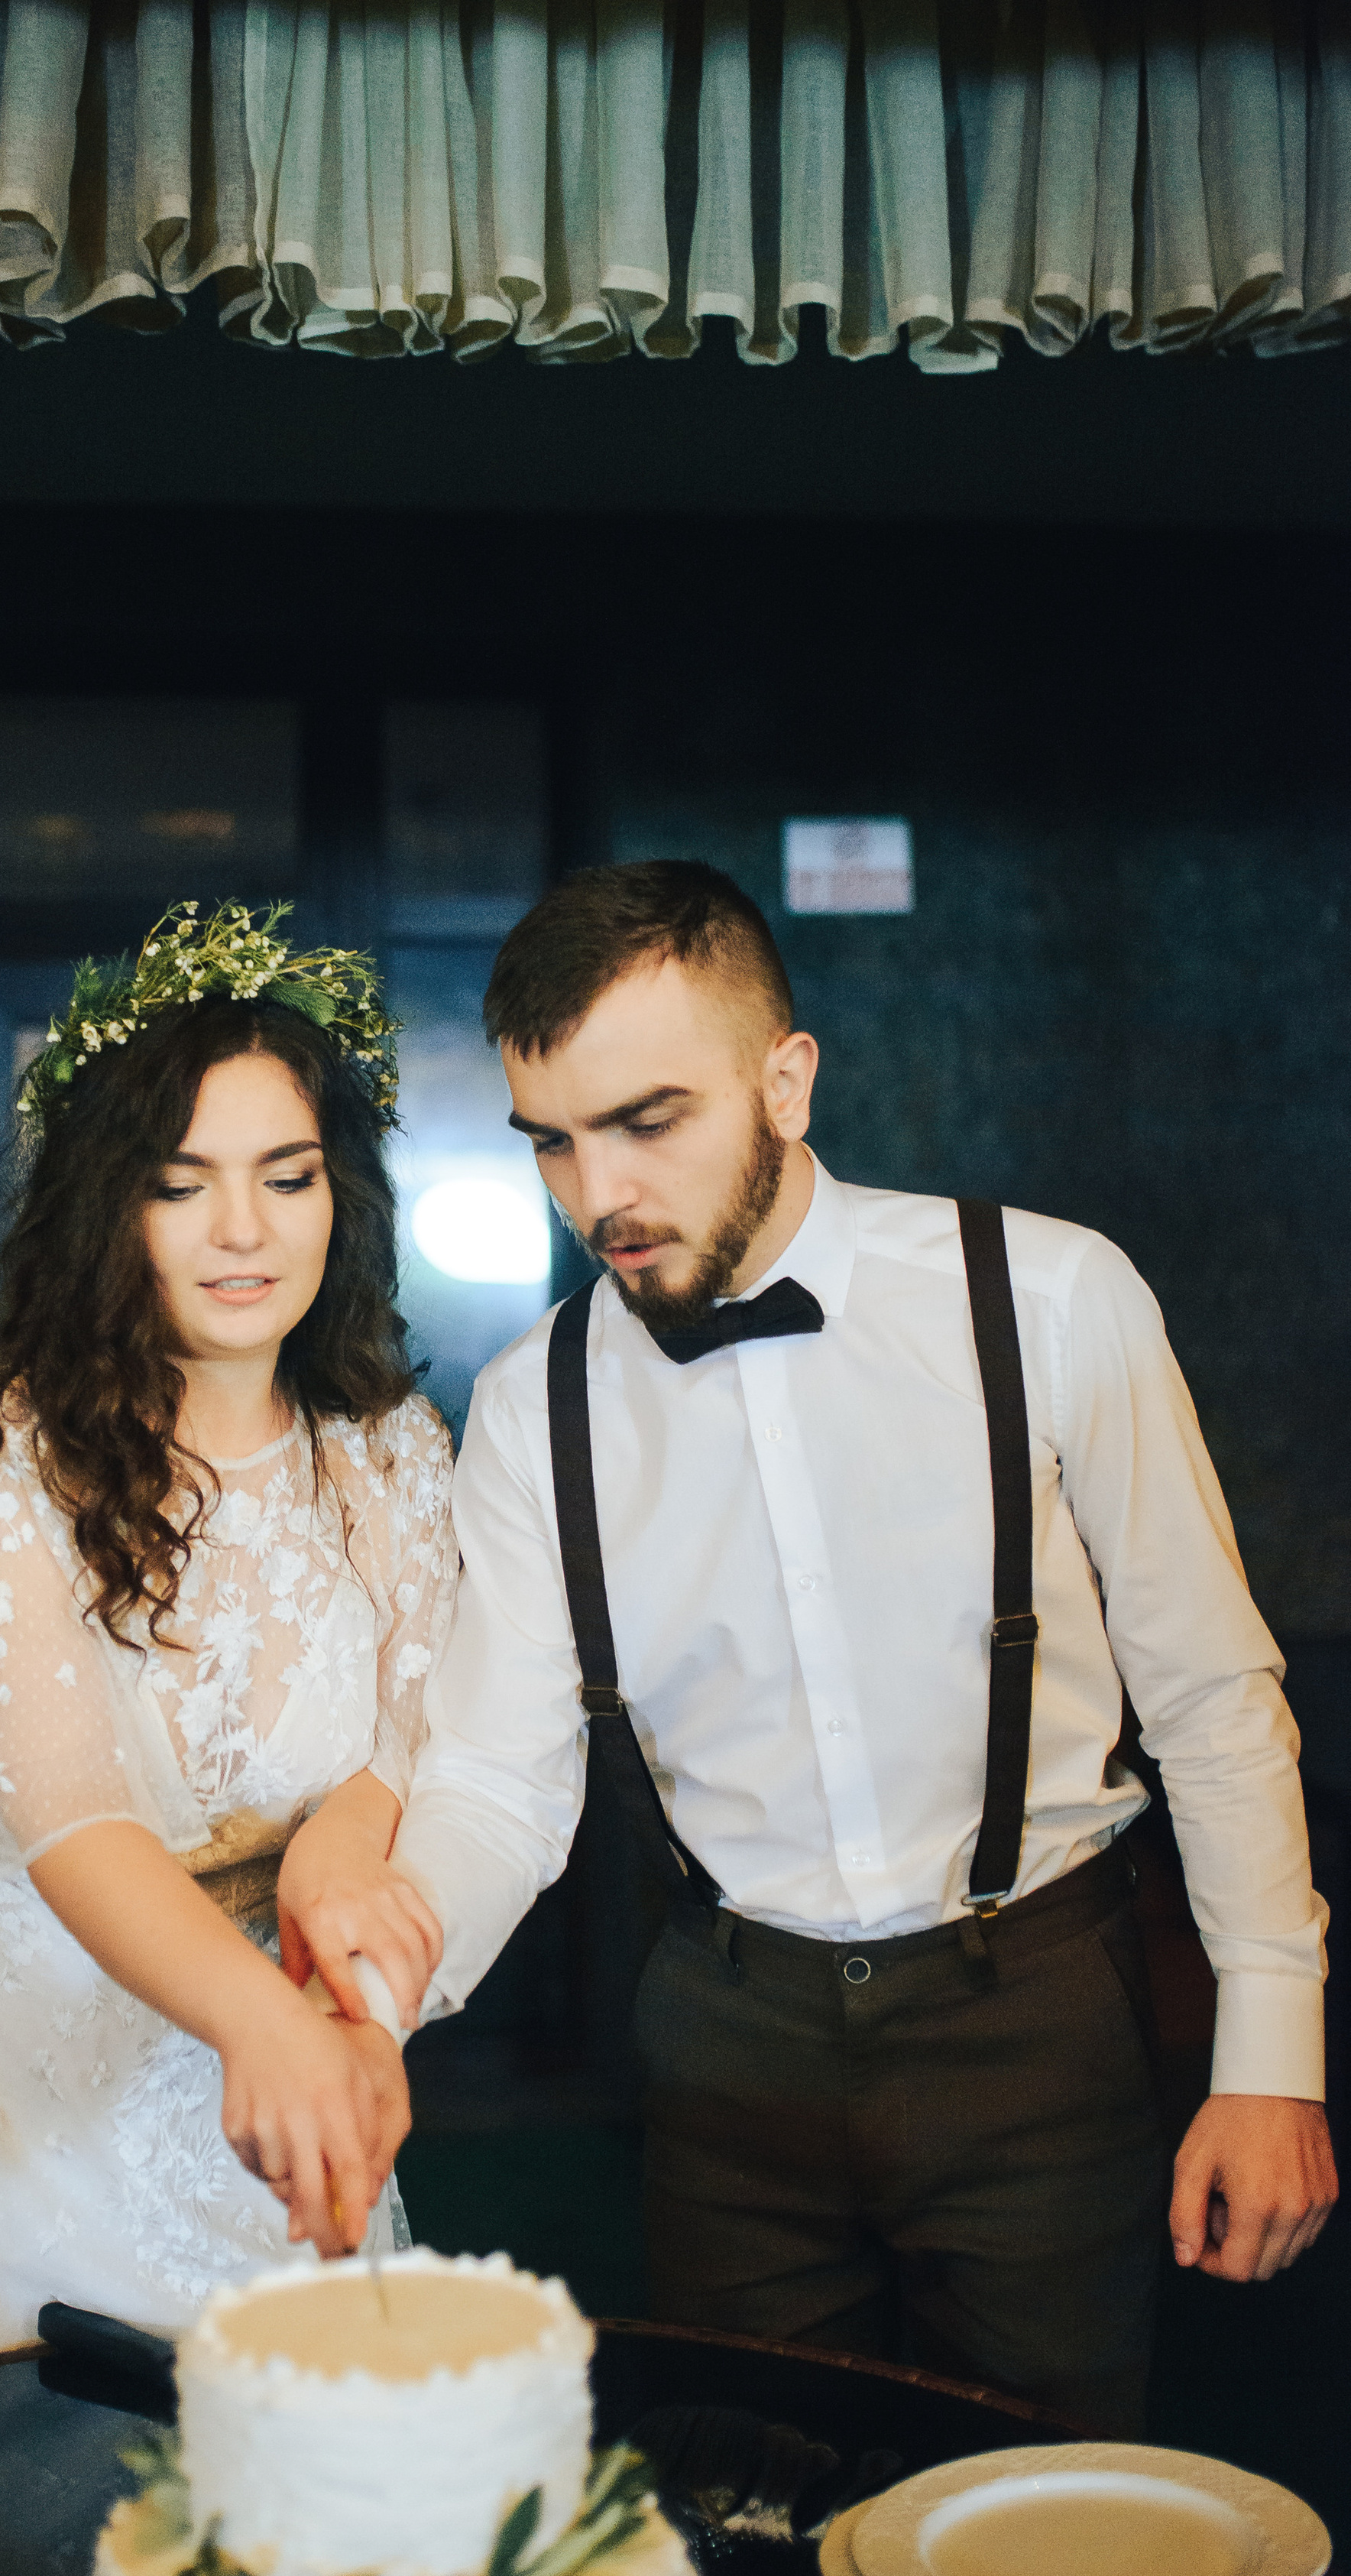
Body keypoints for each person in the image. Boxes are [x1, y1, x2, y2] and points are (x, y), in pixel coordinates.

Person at [284, 860, 1336, 2435]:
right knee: (756, 2506)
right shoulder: (528, 1408)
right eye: (554, 1143)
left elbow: (1208, 1693)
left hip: (1036, 2013)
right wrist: (369, 2019)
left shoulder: (1045, 1297)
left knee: (1043, 2517)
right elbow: (499, 1778)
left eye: (649, 1121)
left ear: (785, 1079)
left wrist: (1273, 2054)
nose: (599, 1198)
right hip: (724, 2043)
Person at [0, 903, 455, 2410]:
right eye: (183, 1184)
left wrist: (338, 1854)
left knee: (296, 2534)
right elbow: (71, 1815)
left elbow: (417, 1726)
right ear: (112, 1211)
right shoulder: (1, 1459)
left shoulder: (390, 1447)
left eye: (286, 1178)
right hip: (13, 2076)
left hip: (271, 2045)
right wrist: (265, 2028)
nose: (244, 1231)